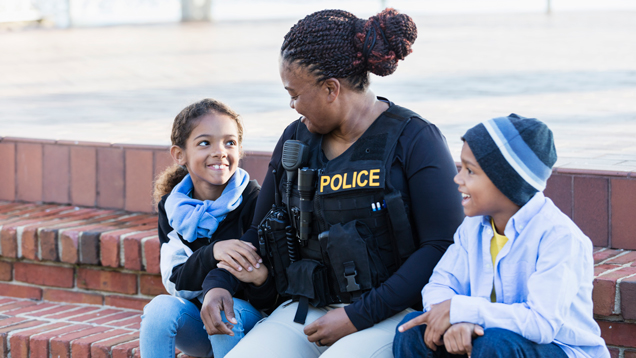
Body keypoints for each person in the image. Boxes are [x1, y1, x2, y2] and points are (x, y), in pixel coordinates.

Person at [203, 8, 464, 357]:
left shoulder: (416, 139)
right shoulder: (295, 140)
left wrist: (358, 316)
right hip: (304, 309)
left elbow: (442, 245)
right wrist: (219, 283)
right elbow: (260, 231)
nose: (292, 105)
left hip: (393, 313)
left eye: (295, 94)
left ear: (330, 89)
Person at [393, 114, 610, 358]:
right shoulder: (472, 227)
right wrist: (454, 320)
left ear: (505, 182)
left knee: (495, 343)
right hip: (490, 339)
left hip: (559, 350)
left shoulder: (559, 237)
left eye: (470, 171)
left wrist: (464, 311)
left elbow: (541, 325)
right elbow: (441, 284)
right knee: (412, 329)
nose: (458, 178)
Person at [139, 98, 273, 358]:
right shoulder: (173, 208)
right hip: (200, 323)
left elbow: (263, 281)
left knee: (223, 309)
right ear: (180, 155)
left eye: (229, 142)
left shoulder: (256, 201)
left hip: (253, 324)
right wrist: (214, 252)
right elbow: (176, 281)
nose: (220, 151)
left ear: (240, 150)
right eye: (205, 143)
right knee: (159, 309)